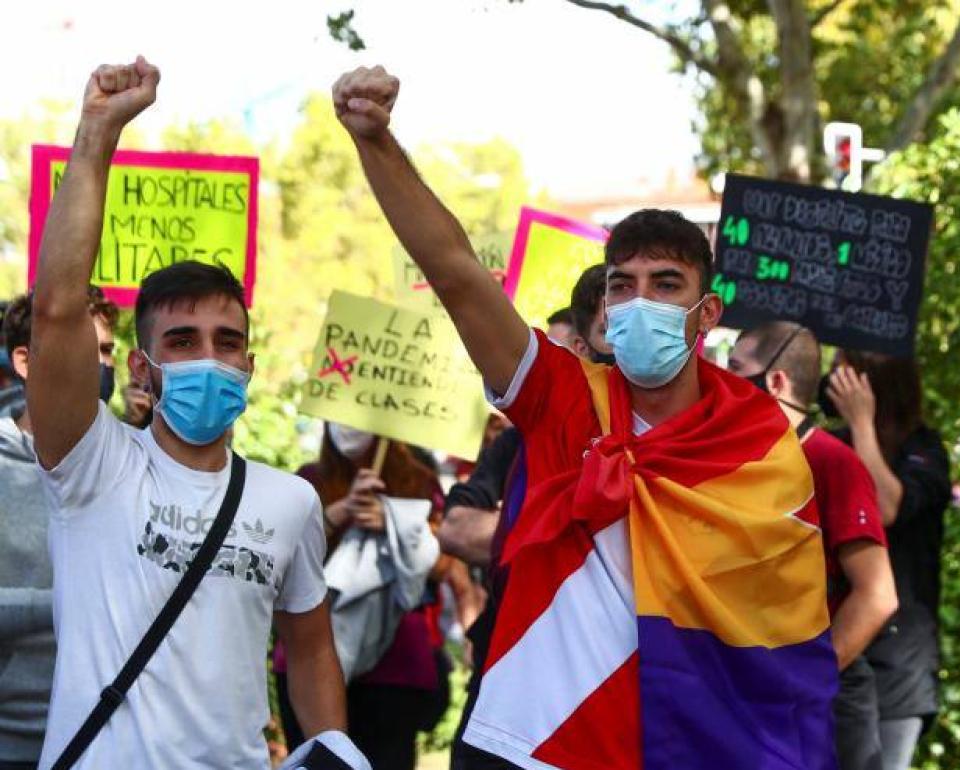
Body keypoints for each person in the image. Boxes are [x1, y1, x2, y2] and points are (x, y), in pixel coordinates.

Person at [338, 64, 837, 769]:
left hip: (683, 746)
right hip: (529, 741)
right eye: (622, 286)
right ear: (604, 306)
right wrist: (376, 141)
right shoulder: (562, 395)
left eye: (667, 284)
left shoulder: (757, 441)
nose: (641, 302)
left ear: (707, 313)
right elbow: (455, 272)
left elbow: (779, 630)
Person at [28, 58, 346, 768]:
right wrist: (97, 132)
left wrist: (334, 750)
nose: (209, 357)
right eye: (182, 341)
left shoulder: (291, 501)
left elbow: (310, 649)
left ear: (249, 365)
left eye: (226, 342)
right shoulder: (91, 465)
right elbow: (55, 311)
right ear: (141, 369)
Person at [442, 263, 614, 770]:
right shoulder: (517, 443)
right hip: (511, 681)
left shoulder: (676, 440)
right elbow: (456, 527)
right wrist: (559, 530)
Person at [729, 321, 898, 770]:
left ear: (775, 381)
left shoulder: (832, 462)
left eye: (735, 368)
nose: (722, 382)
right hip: (753, 687)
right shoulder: (738, 458)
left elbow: (878, 595)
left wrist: (807, 678)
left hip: (825, 700)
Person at [274, 423, 459, 770]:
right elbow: (282, 555)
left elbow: (443, 566)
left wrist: (397, 525)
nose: (349, 427)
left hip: (394, 664)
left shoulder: (419, 482)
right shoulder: (307, 482)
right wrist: (339, 512)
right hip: (310, 659)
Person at [0, 288, 118, 770]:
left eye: (106, 350)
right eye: (83, 346)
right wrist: (69, 601)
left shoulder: (133, 467)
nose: (101, 364)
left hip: (108, 745)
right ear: (25, 361)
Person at [825, 349, 952, 770]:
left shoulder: (925, 449)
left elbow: (883, 507)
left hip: (897, 665)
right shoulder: (835, 443)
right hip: (840, 644)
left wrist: (863, 425)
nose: (832, 382)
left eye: (844, 373)